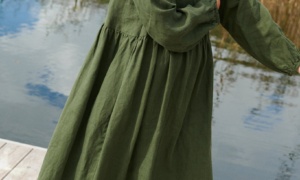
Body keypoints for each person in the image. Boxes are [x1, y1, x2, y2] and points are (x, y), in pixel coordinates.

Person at [38, 0, 300, 179]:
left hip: (184, 77)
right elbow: (166, 27)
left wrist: (294, 61)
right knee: (107, 156)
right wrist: (211, 6)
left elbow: (245, 11)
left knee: (174, 163)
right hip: (132, 71)